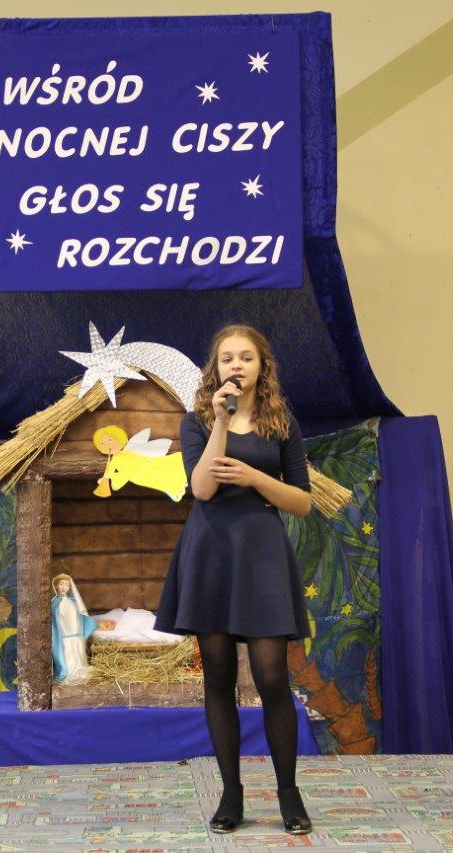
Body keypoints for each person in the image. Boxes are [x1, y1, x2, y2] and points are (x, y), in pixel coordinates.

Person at [153, 324, 314, 835]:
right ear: (216, 368)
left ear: (262, 366)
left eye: (246, 357)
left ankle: (288, 795)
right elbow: (201, 489)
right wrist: (221, 421)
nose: (237, 365)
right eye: (228, 358)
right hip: (211, 555)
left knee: (272, 679)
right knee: (218, 679)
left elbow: (302, 502)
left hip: (261, 553)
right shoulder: (197, 422)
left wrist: (256, 478)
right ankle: (231, 794)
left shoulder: (282, 423)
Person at [51, 574, 96, 683]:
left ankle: (78, 668)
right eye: (61, 584)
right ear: (56, 586)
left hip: (75, 635)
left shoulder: (73, 602)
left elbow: (79, 617)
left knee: (77, 657)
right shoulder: (54, 603)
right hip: (63, 637)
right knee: (67, 658)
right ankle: (67, 671)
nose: (64, 587)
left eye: (67, 585)